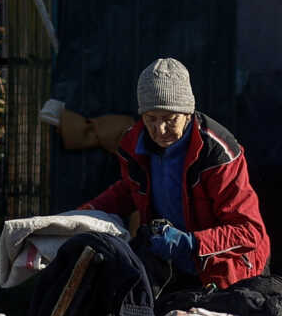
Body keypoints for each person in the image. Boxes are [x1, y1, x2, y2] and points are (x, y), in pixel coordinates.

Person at [81, 56, 272, 291]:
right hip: (172, 270)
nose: (160, 130)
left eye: (170, 119)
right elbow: (128, 191)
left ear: (187, 113)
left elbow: (249, 233)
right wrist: (83, 215)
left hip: (228, 273)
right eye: (151, 119)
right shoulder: (134, 144)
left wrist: (191, 242)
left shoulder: (218, 153)